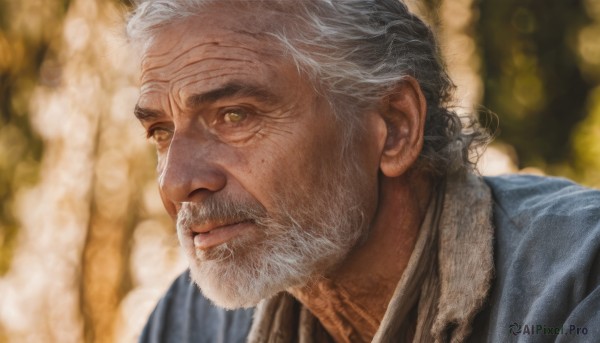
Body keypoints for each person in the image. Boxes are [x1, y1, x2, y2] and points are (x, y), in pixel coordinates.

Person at [126, 0, 600, 342]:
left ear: (394, 128)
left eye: (235, 116)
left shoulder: (576, 283)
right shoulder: (194, 320)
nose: (175, 183)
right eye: (162, 132)